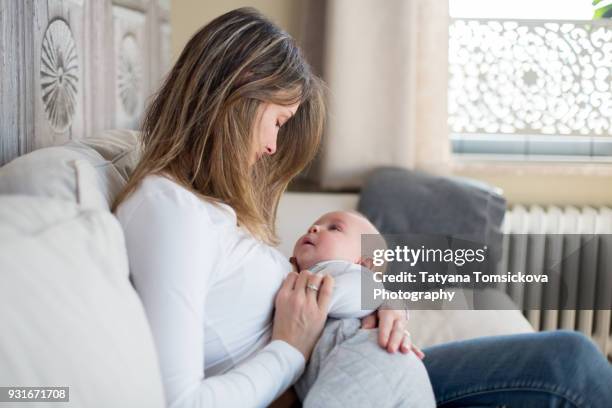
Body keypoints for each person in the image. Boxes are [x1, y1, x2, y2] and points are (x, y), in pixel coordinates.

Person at [113, 7, 612, 408]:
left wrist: (383, 296)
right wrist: (291, 349)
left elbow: (338, 278)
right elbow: (180, 399)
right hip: (328, 382)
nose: (271, 146)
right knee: (571, 367)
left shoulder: (208, 206)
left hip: (349, 363)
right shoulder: (167, 210)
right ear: (239, 92)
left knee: (572, 357)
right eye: (279, 121)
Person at [289, 210, 434, 407]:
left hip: (374, 357)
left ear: (363, 263)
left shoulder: (351, 274)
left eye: (334, 228)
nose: (314, 228)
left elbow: (362, 292)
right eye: (313, 226)